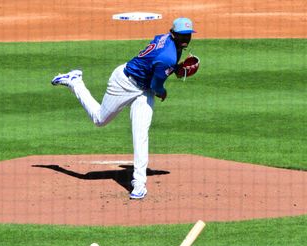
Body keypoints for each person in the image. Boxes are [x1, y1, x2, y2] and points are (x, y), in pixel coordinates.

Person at [50, 17, 197, 200]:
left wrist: (173, 69)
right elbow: (156, 86)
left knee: (140, 133)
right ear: (173, 33)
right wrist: (164, 89)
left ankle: (139, 184)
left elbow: (155, 65)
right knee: (99, 120)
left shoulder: (164, 39)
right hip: (124, 83)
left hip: (143, 91)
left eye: (188, 36)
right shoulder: (168, 57)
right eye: (182, 35)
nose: (185, 39)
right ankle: (75, 82)